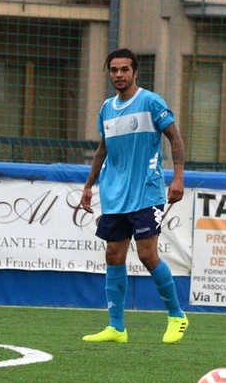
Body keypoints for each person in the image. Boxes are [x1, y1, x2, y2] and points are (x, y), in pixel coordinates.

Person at [80, 48, 189, 344]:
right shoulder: (106, 108)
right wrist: (88, 185)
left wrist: (178, 178)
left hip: (146, 192)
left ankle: (177, 316)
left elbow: (175, 138)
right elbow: (103, 148)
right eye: (114, 70)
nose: (118, 75)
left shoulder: (151, 102)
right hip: (114, 195)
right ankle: (116, 327)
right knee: (113, 254)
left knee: (147, 254)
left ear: (135, 72)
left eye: (124, 69)